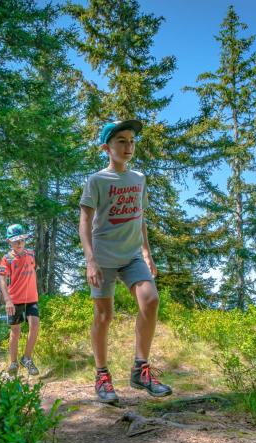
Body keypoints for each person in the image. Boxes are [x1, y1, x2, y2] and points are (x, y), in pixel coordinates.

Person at [79, 119, 172, 403]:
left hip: (132, 255)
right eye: (121, 141)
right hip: (103, 257)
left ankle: (140, 370)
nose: (128, 146)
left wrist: (147, 252)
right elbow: (85, 221)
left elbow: (139, 216)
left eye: (132, 141)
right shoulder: (96, 181)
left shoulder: (139, 179)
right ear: (107, 148)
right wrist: (90, 260)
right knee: (105, 316)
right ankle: (102, 376)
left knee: (150, 300)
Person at [0, 224, 40, 376]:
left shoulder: (31, 254)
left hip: (31, 298)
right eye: (15, 240)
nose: (19, 243)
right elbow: (2, 280)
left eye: (21, 239)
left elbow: (32, 270)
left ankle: (27, 358)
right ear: (9, 242)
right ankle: (14, 362)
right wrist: (7, 300)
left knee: (34, 325)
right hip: (14, 300)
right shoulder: (7, 258)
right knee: (15, 331)